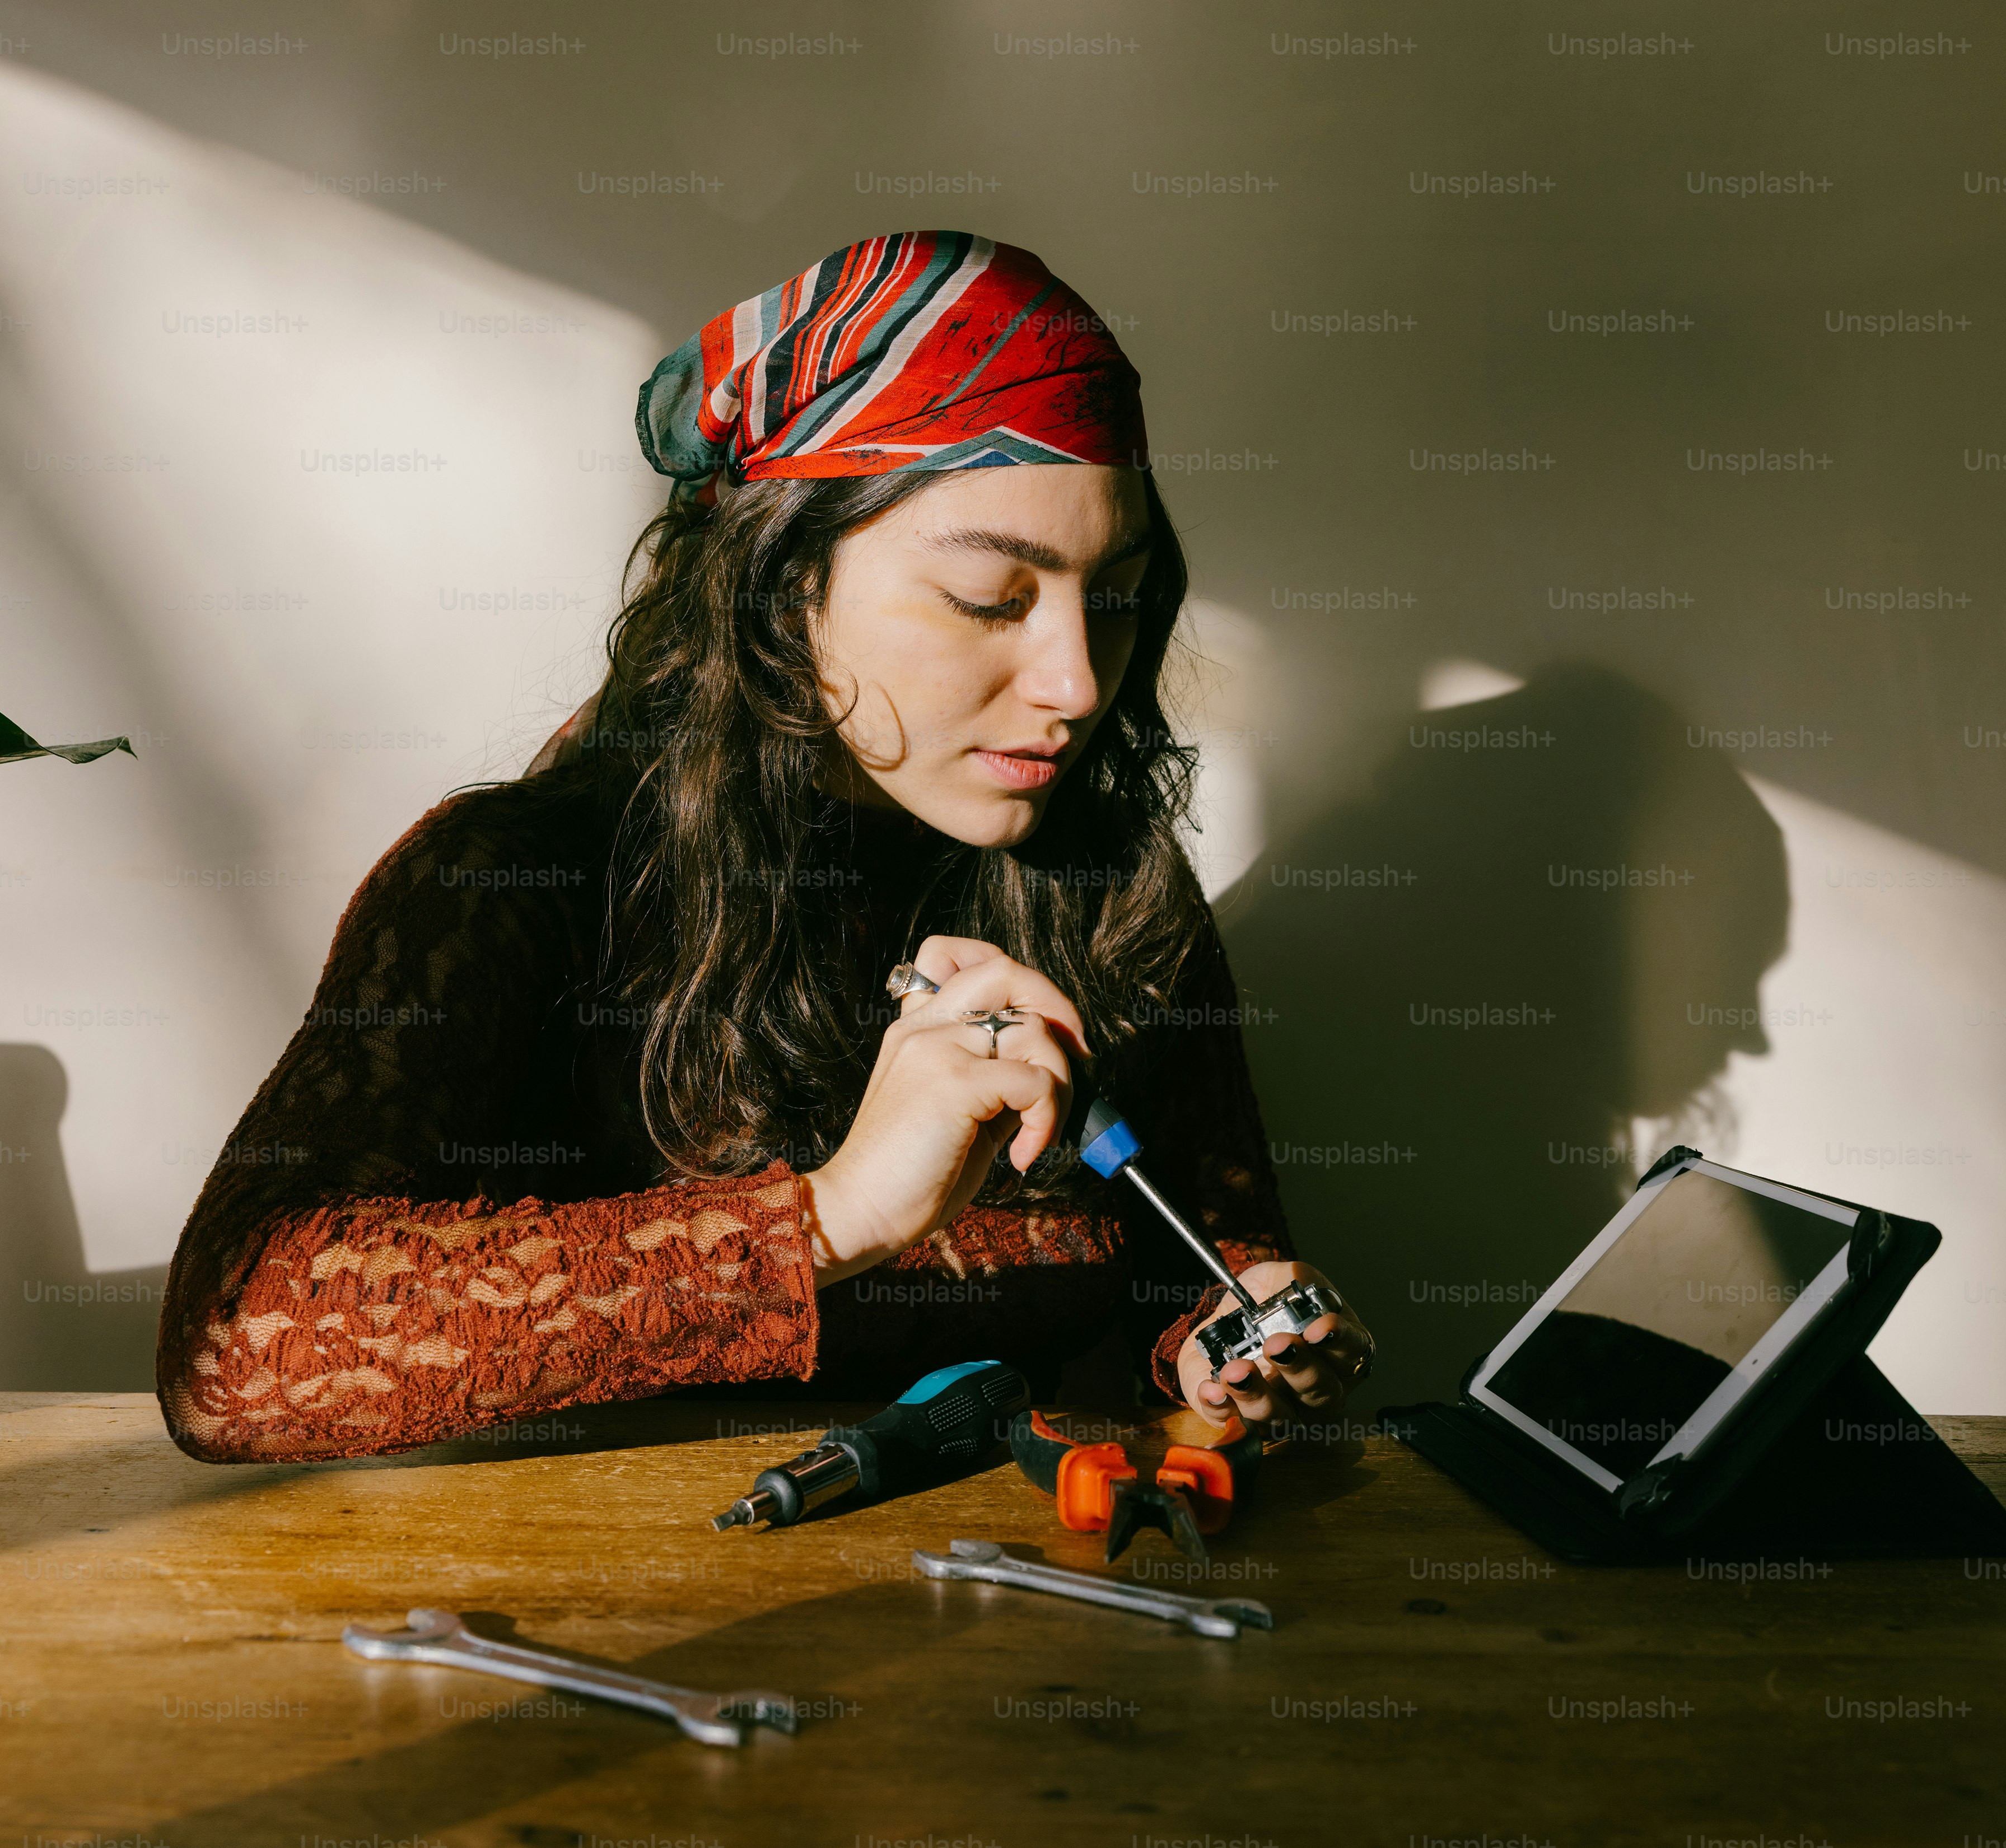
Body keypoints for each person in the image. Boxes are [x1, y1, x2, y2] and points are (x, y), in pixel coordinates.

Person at [154, 230, 1368, 1463]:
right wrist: (830, 1218)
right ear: (786, 584)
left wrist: (1230, 1341)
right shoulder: (515, 883)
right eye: (991, 599)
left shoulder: (1110, 889)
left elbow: (1192, 1260)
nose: (1072, 682)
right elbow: (232, 1356)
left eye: (1111, 596)